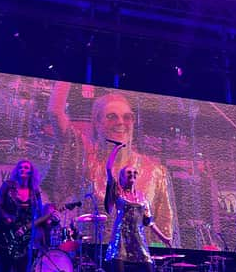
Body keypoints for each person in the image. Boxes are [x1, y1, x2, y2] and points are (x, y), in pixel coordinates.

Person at [46, 81, 178, 246]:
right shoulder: (83, 156)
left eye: (127, 117)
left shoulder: (155, 173)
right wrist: (69, 65)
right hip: (91, 258)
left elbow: (165, 231)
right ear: (97, 122)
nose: (120, 122)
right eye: (111, 116)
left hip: (137, 259)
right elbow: (55, 113)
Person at [104, 143, 171, 272]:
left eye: (135, 172)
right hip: (120, 238)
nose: (132, 174)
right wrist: (116, 149)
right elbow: (108, 169)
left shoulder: (142, 197)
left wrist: (164, 238)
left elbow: (149, 222)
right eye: (129, 172)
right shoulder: (118, 192)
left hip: (138, 239)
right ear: (122, 176)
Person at [0, 160, 43, 272]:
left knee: (22, 271)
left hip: (24, 237)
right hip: (5, 233)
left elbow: (39, 213)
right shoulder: (8, 186)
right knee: (5, 270)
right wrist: (8, 219)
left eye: (26, 167)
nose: (23, 169)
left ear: (31, 172)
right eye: (20, 167)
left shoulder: (34, 192)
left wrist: (49, 218)